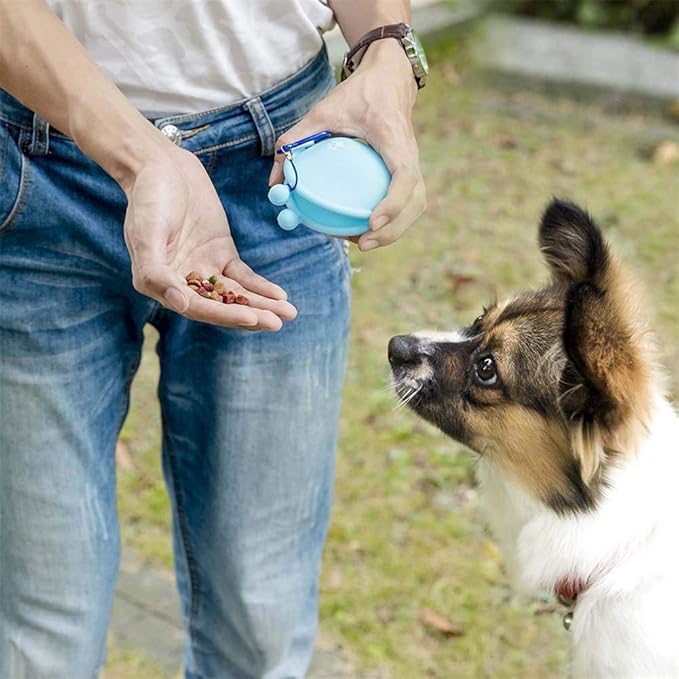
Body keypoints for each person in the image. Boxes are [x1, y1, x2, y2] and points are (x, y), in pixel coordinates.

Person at [0, 1, 426, 676]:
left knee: (260, 627)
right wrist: (144, 158)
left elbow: (382, 37)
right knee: (42, 634)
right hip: (39, 167)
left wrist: (385, 49)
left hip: (281, 160)